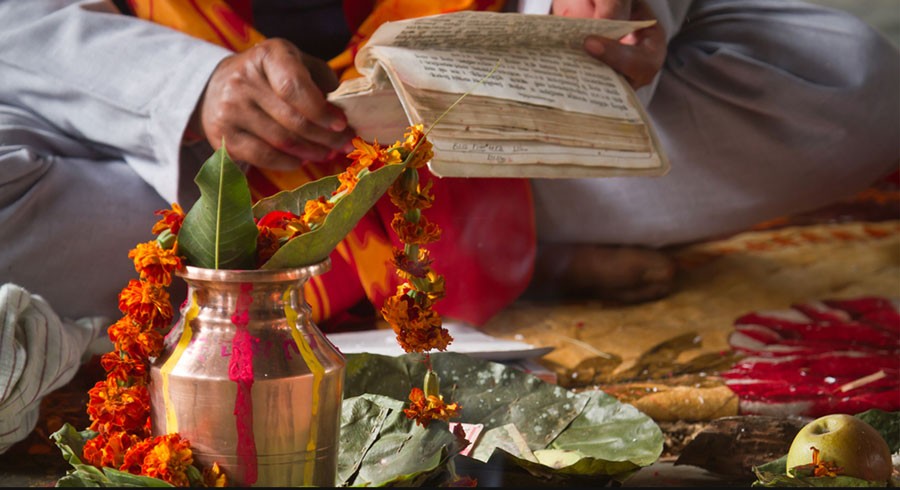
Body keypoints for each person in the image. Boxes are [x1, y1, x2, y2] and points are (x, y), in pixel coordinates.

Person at [0, 0, 896, 452]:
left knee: (850, 79)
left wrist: (602, 14)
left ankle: (396, 247)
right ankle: (499, 253)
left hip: (476, 123)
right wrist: (184, 89)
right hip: (174, 153)